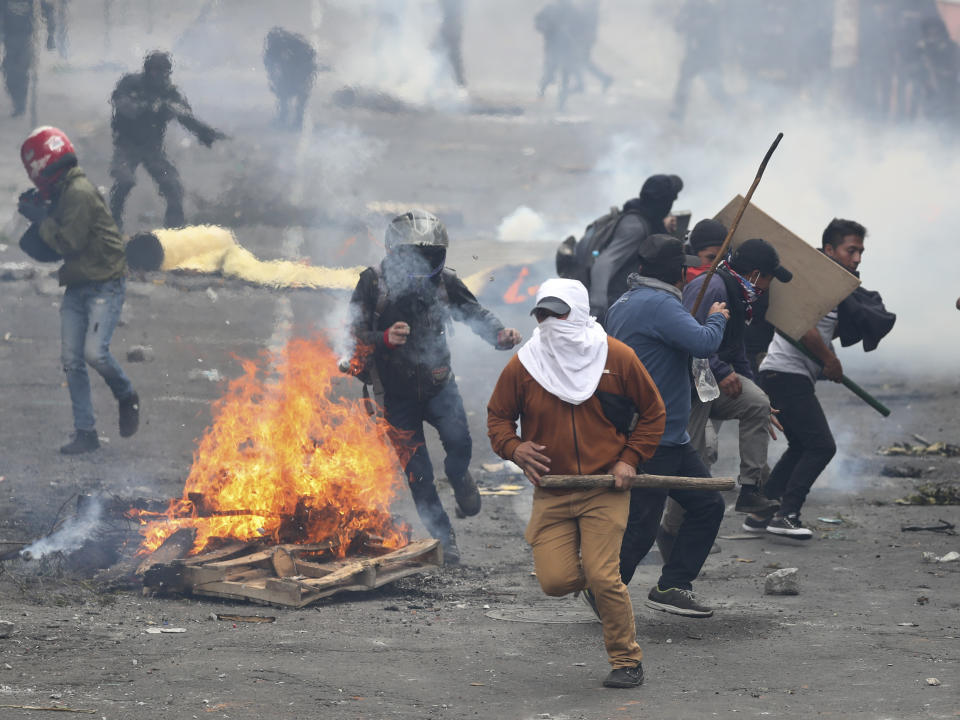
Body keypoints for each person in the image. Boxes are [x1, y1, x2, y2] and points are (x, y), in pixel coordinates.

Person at [488, 278, 665, 688]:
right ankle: (603, 591)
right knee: (555, 581)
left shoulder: (617, 357)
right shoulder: (526, 364)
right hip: (552, 491)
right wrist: (513, 448)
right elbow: (498, 417)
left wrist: (629, 459)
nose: (551, 322)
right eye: (543, 314)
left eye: (559, 312)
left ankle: (626, 661)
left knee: (604, 577)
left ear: (581, 312)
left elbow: (654, 412)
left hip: (605, 489)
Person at [348, 210, 521, 564]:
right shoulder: (372, 283)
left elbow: (474, 313)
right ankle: (447, 542)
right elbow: (350, 337)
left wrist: (500, 334)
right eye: (414, 254)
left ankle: (460, 479)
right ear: (395, 251)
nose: (423, 261)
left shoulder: (446, 281)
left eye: (429, 254)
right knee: (420, 475)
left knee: (460, 446)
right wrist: (383, 338)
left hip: (439, 385)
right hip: (394, 396)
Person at [604, 234, 726, 617]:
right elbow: (704, 343)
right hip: (653, 437)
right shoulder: (659, 304)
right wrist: (717, 317)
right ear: (676, 271)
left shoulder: (625, 301)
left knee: (707, 505)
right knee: (641, 526)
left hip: (669, 434)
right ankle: (604, 589)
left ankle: (673, 584)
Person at [758, 219, 894, 538]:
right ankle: (786, 514)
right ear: (829, 250)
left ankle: (761, 513)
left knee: (801, 445)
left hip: (786, 375)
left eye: (861, 251)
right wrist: (829, 360)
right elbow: (804, 330)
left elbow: (816, 332)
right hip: (785, 375)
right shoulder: (814, 282)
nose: (857, 257)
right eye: (851, 250)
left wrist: (828, 360)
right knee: (821, 447)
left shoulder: (833, 287)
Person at [16, 126, 140, 454]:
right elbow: (51, 246)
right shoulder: (62, 192)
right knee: (71, 360)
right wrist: (40, 214)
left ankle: (126, 395)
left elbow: (68, 242)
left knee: (94, 353)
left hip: (104, 283)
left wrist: (41, 218)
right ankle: (86, 432)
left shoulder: (78, 193)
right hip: (78, 282)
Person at [681, 238, 791, 520]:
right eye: (767, 278)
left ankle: (750, 491)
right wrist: (722, 371)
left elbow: (736, 346)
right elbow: (688, 337)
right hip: (693, 377)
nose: (767, 287)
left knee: (756, 403)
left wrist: (752, 387)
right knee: (695, 456)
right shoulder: (713, 287)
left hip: (711, 376)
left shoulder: (740, 294)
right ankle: (674, 527)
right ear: (755, 274)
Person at [109, 51, 225, 230]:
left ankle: (175, 228)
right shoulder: (132, 83)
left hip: (151, 148)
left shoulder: (168, 93)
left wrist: (204, 132)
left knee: (172, 186)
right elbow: (123, 106)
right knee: (125, 180)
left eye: (162, 72)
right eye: (155, 71)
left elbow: (185, 116)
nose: (158, 75)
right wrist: (148, 106)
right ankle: (113, 220)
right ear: (147, 70)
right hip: (127, 144)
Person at [587, 174, 683, 322]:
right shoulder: (635, 227)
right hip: (613, 303)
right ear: (664, 203)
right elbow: (604, 263)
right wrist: (597, 310)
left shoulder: (646, 217)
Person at [263, 27, 319, 130]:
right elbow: (270, 65)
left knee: (299, 98)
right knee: (284, 97)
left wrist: (304, 77)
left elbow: (309, 60)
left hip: (302, 72)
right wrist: (274, 80)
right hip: (288, 74)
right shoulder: (274, 48)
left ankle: (297, 121)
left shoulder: (298, 45)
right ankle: (284, 118)